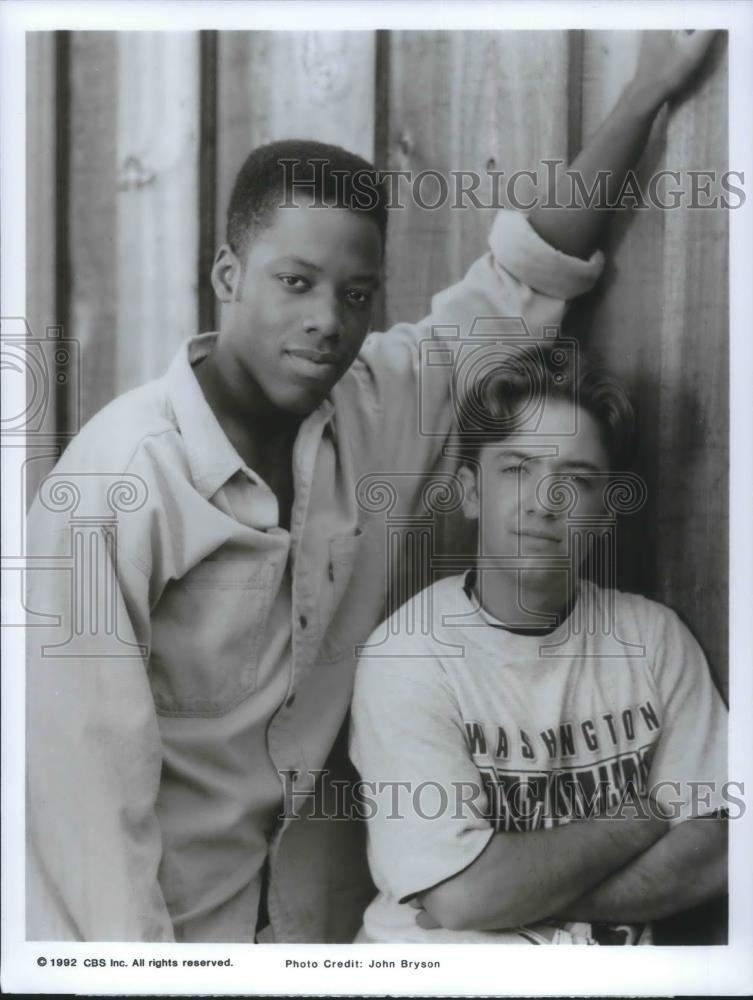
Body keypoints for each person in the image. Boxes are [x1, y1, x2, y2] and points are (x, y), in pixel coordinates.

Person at [25, 32, 718, 943]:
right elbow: (83, 810)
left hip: (299, 934)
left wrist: (644, 94)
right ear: (228, 277)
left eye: (357, 294)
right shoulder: (114, 488)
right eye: (295, 282)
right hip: (144, 935)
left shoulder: (374, 403)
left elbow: (520, 279)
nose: (326, 321)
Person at [349, 342, 728, 945]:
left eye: (575, 480)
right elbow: (463, 895)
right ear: (471, 493)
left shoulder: (653, 638)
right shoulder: (408, 655)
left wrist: (514, 896)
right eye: (518, 469)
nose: (545, 503)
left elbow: (724, 852)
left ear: (605, 510)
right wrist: (649, 815)